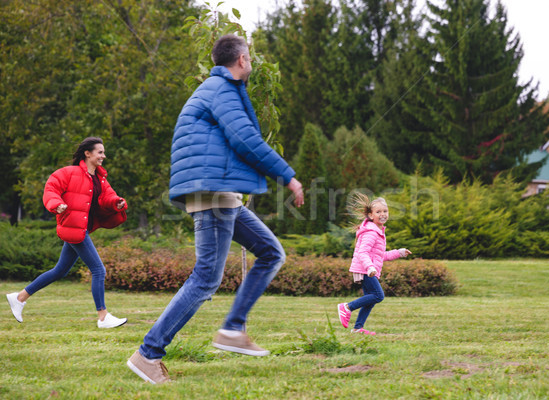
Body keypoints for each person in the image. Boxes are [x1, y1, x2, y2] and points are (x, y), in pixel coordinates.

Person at [127, 34, 304, 384]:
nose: (251, 63)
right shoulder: (220, 90)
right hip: (212, 194)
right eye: (249, 57)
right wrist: (288, 176)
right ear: (240, 60)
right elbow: (246, 140)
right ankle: (148, 353)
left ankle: (233, 329)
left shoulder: (219, 89)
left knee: (271, 252)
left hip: (222, 194)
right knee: (206, 278)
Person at [6, 137, 128, 329]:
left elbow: (107, 195)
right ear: (88, 153)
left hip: (81, 229)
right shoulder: (69, 173)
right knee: (99, 270)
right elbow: (51, 189)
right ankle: (103, 316)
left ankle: (19, 297)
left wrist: (117, 202)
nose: (103, 156)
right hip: (73, 227)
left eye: (103, 152)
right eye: (100, 152)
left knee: (60, 270)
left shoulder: (99, 177)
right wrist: (56, 205)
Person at [337, 193, 411, 335]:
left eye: (385, 211)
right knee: (378, 295)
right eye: (378, 212)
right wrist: (370, 267)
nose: (383, 214)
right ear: (371, 215)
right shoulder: (371, 232)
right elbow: (362, 253)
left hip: (369, 269)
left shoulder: (378, 232)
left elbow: (381, 256)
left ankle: (358, 328)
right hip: (366, 270)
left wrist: (399, 252)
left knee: (370, 300)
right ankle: (347, 307)